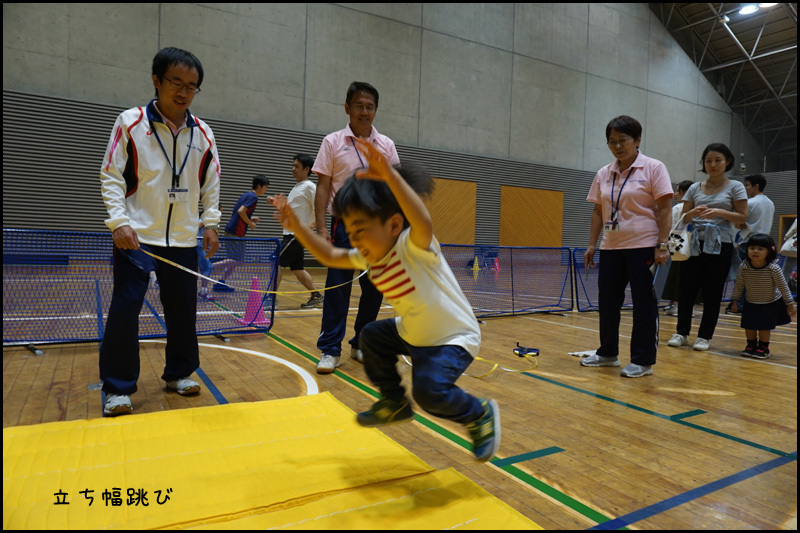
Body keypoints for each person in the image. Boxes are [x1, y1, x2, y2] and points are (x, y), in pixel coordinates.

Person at [271, 139, 500, 462]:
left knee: (430, 392)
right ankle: (394, 401)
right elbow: (329, 253)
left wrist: (391, 178)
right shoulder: (370, 256)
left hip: (452, 338)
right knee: (371, 337)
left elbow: (422, 219)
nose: (354, 239)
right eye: (351, 231)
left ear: (393, 224)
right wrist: (296, 226)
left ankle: (479, 414)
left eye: (362, 229)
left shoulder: (414, 245)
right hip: (414, 334)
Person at [98, 47, 221, 416]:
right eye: (176, 83)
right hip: (136, 236)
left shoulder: (203, 134)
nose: (183, 92)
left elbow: (211, 183)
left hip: (183, 239)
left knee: (183, 311)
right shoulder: (130, 123)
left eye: (192, 86)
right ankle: (118, 388)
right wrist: (119, 221)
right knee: (125, 309)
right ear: (157, 81)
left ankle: (179, 372)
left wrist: (211, 223)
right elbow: (110, 175)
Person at [312, 81, 400, 373]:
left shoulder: (386, 145)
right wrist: (322, 229)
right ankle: (329, 349)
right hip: (343, 227)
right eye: (359, 106)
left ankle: (362, 342)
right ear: (347, 108)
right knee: (338, 288)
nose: (365, 111)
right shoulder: (333, 142)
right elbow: (323, 187)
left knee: (374, 288)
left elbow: (395, 187)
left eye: (370, 107)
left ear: (376, 110)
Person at [582, 115, 674, 378]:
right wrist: (592, 244)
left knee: (644, 304)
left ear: (637, 140)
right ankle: (607, 353)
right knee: (608, 302)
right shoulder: (604, 173)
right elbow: (599, 211)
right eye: (612, 142)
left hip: (644, 246)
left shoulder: (654, 168)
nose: (617, 146)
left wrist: (662, 244)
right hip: (611, 248)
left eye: (623, 140)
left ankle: (643, 360)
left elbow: (666, 209)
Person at [667, 143, 747, 351]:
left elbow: (742, 217)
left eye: (717, 160)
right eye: (708, 161)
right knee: (686, 288)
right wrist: (692, 214)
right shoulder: (694, 188)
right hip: (693, 244)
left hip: (721, 245)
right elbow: (684, 216)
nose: (712, 164)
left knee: (713, 291)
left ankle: (704, 336)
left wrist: (719, 213)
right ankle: (681, 332)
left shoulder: (735, 187)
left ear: (727, 161)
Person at [730, 233, 795, 358]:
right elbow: (739, 285)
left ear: (769, 252)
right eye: (752, 248)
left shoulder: (773, 269)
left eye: (760, 249)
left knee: (764, 327)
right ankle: (751, 345)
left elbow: (783, 287)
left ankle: (764, 347)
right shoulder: (744, 267)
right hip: (750, 302)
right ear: (747, 249)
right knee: (749, 326)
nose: (755, 251)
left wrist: (790, 304)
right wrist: (735, 301)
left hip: (769, 303)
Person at [274, 154, 323, 308]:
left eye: (296, 166)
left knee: (275, 263)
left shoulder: (310, 186)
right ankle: (317, 296)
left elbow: (320, 206)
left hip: (296, 235)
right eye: (293, 165)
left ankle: (270, 299)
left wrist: (313, 224)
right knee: (298, 269)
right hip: (291, 234)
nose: (292, 169)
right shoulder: (297, 187)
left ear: (307, 169)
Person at [726, 174, 775, 314]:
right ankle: (753, 303)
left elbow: (739, 223)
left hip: (749, 244)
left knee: (742, 275)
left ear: (756, 186)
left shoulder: (750, 203)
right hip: (765, 244)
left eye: (747, 185)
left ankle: (740, 304)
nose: (745, 188)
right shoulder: (770, 203)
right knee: (757, 277)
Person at [215, 174, 269, 289]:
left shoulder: (246, 194)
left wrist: (250, 219)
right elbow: (240, 211)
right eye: (265, 186)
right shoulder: (253, 197)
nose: (266, 189)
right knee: (237, 260)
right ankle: (209, 266)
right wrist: (251, 224)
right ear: (259, 186)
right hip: (235, 232)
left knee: (235, 260)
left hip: (233, 230)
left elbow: (239, 213)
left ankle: (221, 282)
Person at [662, 180, 695, 316]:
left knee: (676, 277)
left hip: (677, 244)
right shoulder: (699, 207)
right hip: (694, 247)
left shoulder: (678, 208)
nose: (675, 194)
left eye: (677, 191)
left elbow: (670, 227)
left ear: (685, 192)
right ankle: (687, 307)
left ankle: (676, 306)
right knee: (690, 278)